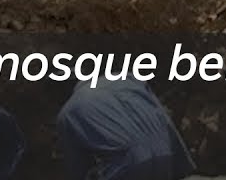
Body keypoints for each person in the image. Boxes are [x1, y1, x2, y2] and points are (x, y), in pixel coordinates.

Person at [55, 77, 195, 180]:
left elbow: (77, 169)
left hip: (127, 165)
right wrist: (182, 164)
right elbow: (163, 118)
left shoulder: (68, 113)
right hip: (164, 154)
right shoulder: (129, 81)